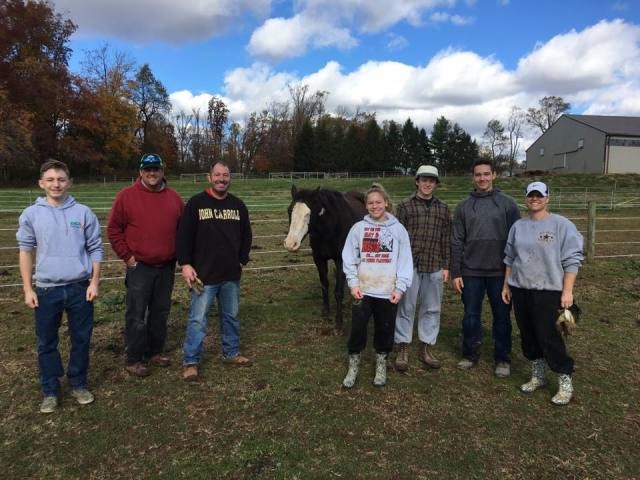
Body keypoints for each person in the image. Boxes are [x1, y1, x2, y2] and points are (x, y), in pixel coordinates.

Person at [16, 159, 103, 413]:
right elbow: (25, 251)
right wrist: (27, 288)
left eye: (61, 179)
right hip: (46, 289)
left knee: (81, 338)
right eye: (51, 180)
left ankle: (78, 382)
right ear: (41, 183)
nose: (56, 184)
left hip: (79, 287)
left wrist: (95, 282)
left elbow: (95, 248)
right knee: (46, 342)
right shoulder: (31, 214)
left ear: (69, 182)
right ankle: (51, 389)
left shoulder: (83, 213)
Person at [502, 181, 583, 405]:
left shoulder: (561, 225)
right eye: (531, 195)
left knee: (549, 335)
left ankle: (564, 379)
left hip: (548, 291)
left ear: (548, 198)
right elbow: (509, 258)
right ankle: (538, 375)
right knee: (528, 333)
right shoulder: (518, 226)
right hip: (521, 289)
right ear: (526, 198)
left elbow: (572, 260)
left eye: (539, 195)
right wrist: (507, 285)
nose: (535, 199)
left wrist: (567, 291)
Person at [107, 153, 184, 377]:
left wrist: (181, 256)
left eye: (156, 169)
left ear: (162, 171)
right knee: (136, 314)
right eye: (147, 169)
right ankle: (134, 358)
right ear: (140, 172)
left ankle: (155, 351)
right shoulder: (126, 196)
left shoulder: (174, 198)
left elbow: (184, 229)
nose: (152, 173)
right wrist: (128, 257)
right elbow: (113, 229)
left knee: (160, 311)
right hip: (140, 267)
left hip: (166, 266)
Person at [177, 161, 253, 381]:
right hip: (203, 275)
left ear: (230, 178)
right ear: (209, 177)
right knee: (197, 319)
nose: (222, 179)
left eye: (226, 175)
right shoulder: (195, 204)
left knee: (231, 316)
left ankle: (231, 353)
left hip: (230, 274)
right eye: (217, 175)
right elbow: (183, 236)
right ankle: (191, 361)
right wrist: (186, 264)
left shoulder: (238, 206)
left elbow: (246, 235)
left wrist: (242, 259)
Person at [451, 159, 520, 377]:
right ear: (473, 177)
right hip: (471, 272)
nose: (482, 178)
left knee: (501, 316)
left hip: (500, 273)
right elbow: (456, 241)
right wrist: (456, 272)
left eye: (486, 174)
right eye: (478, 174)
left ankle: (502, 358)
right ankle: (469, 353)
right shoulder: (463, 207)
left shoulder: (508, 204)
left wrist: (514, 272)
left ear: (494, 175)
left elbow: (517, 238)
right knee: (471, 315)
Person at [342, 183, 413, 388]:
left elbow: (405, 261)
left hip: (387, 292)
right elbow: (349, 257)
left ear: (386, 203)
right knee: (358, 330)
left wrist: (399, 288)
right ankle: (353, 365)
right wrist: (353, 283)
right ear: (366, 206)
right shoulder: (358, 229)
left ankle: (381, 364)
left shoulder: (398, 230)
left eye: (378, 202)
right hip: (362, 291)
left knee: (385, 329)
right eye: (371, 203)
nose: (375, 206)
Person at [394, 165, 451, 371]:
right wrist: (398, 266)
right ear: (417, 181)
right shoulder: (404, 206)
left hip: (435, 264)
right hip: (410, 266)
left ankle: (426, 346)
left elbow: (446, 239)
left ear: (436, 184)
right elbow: (397, 239)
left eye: (432, 180)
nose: (428, 184)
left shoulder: (443, 208)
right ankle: (403, 346)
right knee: (406, 307)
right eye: (424, 180)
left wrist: (446, 266)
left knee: (432, 308)